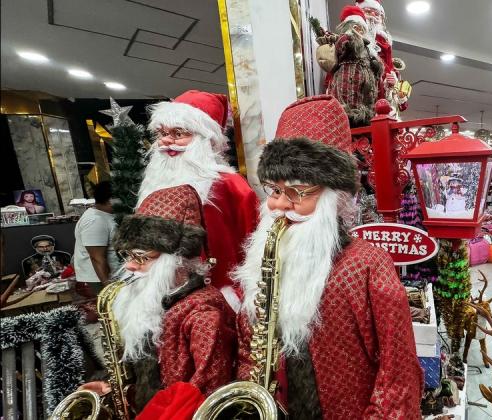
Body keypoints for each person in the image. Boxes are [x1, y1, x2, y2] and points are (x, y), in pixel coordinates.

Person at [233, 95, 422, 418]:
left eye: (296, 192)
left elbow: (398, 373)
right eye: (274, 190)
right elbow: (249, 350)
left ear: (334, 196)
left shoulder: (368, 266)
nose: (277, 206)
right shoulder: (263, 261)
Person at [79, 184, 237, 413]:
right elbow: (133, 368)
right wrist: (110, 385)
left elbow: (207, 401)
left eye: (141, 257)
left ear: (178, 259)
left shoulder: (204, 315)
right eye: (128, 255)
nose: (130, 265)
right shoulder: (151, 300)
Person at [139, 90, 259, 307]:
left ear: (206, 139)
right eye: (161, 133)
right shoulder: (154, 183)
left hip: (220, 295)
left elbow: (252, 239)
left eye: (178, 133)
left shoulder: (230, 185)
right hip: (166, 294)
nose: (166, 141)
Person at [73, 181, 119, 296]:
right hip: (99, 280)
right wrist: (109, 289)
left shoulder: (105, 215)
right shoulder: (95, 220)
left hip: (113, 275)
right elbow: (97, 258)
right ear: (110, 199)